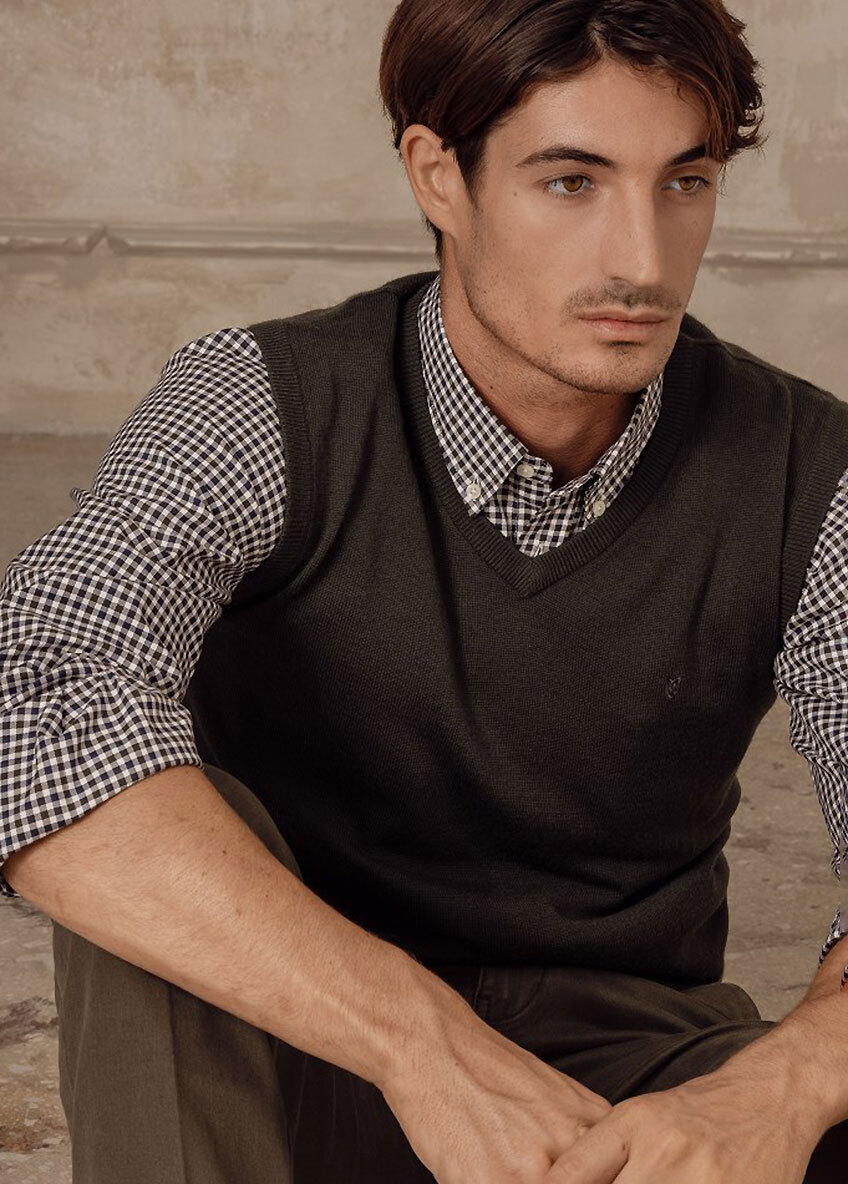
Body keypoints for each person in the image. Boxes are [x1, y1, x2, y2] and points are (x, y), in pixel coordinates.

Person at [2, 0, 847, 1180]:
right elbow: (32, 696)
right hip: (279, 1048)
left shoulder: (809, 468)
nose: (642, 261)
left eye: (683, 182)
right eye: (570, 181)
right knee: (147, 838)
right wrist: (420, 1043)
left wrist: (787, 1080)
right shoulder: (258, 403)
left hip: (627, 1069)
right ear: (438, 174)